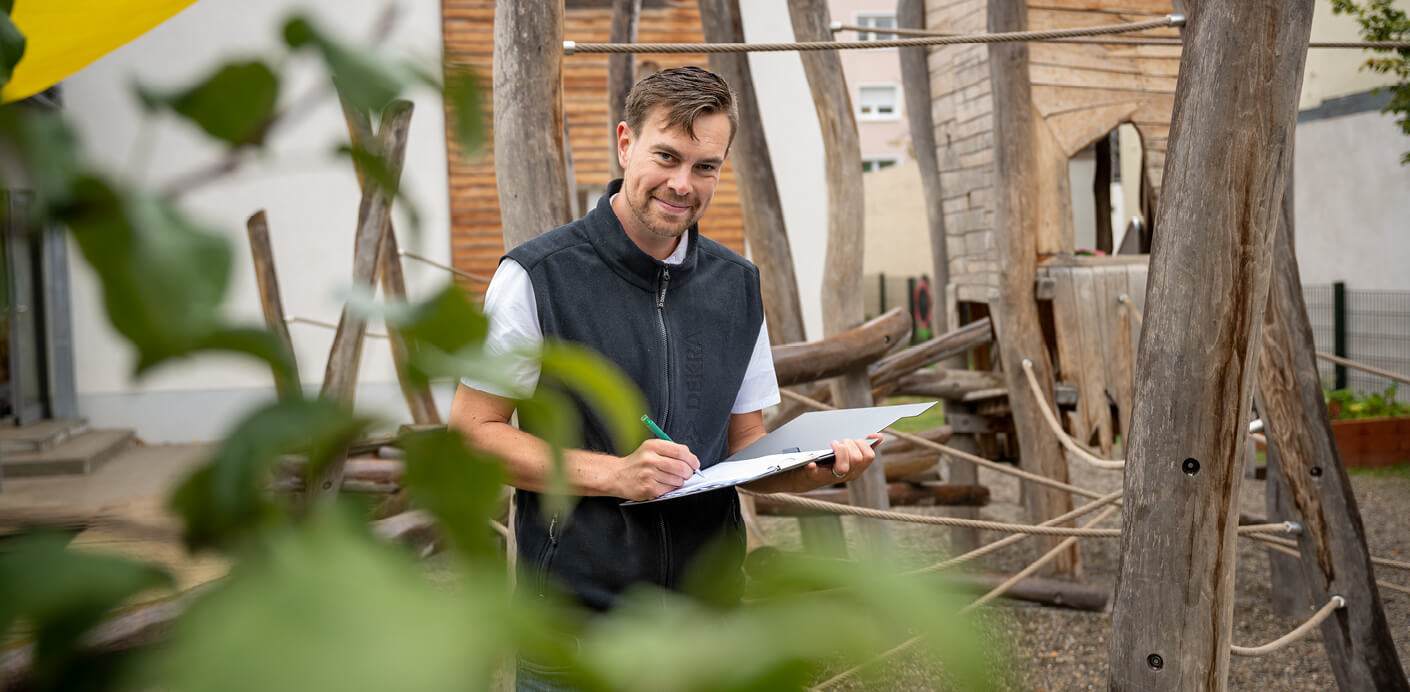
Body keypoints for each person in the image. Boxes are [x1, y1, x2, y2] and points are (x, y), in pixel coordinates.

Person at [450, 66, 877, 620]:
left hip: (710, 618)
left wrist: (820, 468)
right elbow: (472, 434)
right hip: (575, 623)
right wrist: (615, 474)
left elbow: (746, 445)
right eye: (667, 157)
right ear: (626, 144)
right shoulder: (537, 275)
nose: (683, 184)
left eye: (705, 167)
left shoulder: (738, 284)